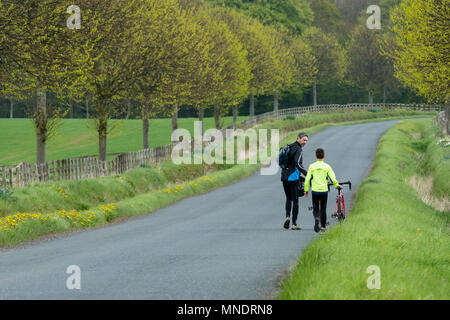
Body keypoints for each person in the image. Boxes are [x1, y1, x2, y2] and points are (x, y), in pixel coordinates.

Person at [304, 148, 340, 233]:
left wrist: (306, 190)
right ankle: (323, 226)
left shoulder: (312, 166)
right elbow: (332, 178)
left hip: (315, 190)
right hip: (324, 190)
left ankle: (317, 220)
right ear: (324, 156)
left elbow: (307, 179)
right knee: (323, 208)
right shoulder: (327, 166)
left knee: (315, 207)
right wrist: (337, 185)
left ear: (315, 156)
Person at [281, 132, 308, 230]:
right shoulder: (299, 149)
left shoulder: (288, 147)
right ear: (298, 138)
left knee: (288, 198)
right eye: (304, 140)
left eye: (306, 141)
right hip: (293, 177)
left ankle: (287, 217)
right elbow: (298, 164)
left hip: (284, 176)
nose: (305, 142)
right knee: (295, 200)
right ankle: (294, 224)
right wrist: (307, 174)